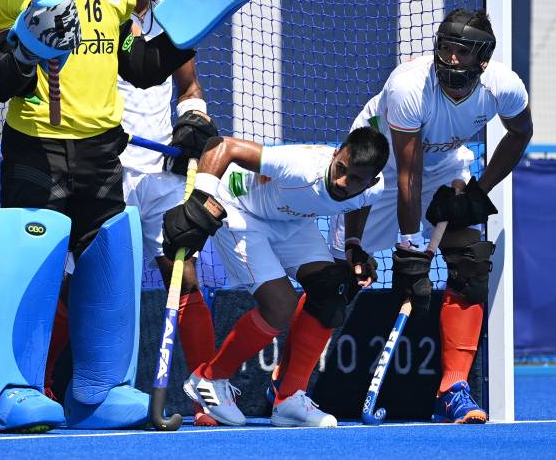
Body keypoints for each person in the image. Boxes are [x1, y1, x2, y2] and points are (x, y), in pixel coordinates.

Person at [0, 0, 196, 431]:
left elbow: (138, 66)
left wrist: (187, 34)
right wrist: (26, 51)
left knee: (108, 256)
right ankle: (10, 390)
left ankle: (99, 391)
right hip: (35, 149)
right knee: (32, 262)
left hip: (100, 153)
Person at [328, 8, 533, 424]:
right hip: (377, 169)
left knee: (472, 261)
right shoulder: (409, 87)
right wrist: (410, 250)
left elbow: (520, 134)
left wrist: (478, 191)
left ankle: (452, 388)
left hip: (443, 167)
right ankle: (290, 381)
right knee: (341, 276)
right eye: (446, 48)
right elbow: (407, 175)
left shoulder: (503, 87)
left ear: (483, 58)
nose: (451, 59)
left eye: (462, 52)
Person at [161, 127, 390, 427]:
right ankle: (209, 379)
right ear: (336, 155)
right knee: (279, 304)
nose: (342, 182)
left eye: (357, 180)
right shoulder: (299, 166)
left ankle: (289, 398)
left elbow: (360, 201)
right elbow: (223, 145)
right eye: (341, 169)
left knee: (335, 287)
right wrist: (198, 200)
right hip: (242, 212)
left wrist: (353, 243)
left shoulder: (372, 188)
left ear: (371, 181)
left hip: (292, 221)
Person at [113, 0, 220, 427]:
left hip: (159, 172)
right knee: (87, 282)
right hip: (106, 168)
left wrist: (190, 124)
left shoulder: (173, 20)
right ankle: (53, 388)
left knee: (186, 277)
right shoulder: (103, 13)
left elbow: (190, 90)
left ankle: (206, 389)